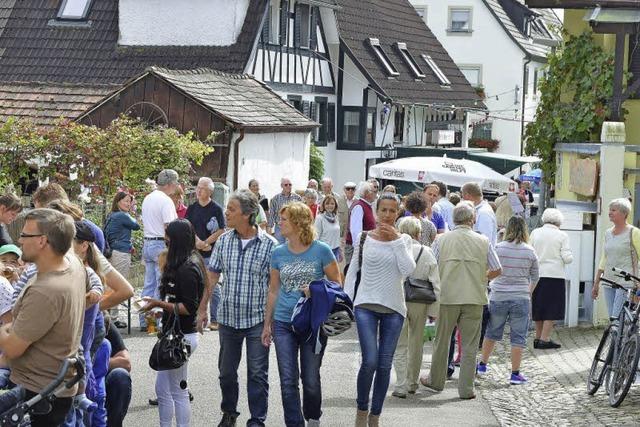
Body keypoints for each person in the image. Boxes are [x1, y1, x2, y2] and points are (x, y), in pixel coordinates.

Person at [196, 190, 276, 427]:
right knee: (226, 373)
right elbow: (211, 278)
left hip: (256, 321)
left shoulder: (270, 245)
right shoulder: (223, 241)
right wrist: (203, 309)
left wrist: (269, 323)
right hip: (228, 319)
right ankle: (229, 412)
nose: (226, 213)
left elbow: (274, 287)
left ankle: (257, 420)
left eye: (231, 209)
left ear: (248, 214)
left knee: (257, 374)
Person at [0, 208, 86, 426]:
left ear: (42, 241)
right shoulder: (72, 263)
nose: (19, 239)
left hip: (38, 394)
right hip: (54, 387)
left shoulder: (46, 291)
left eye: (25, 234)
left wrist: (5, 326)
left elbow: (11, 349)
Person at [262, 202, 340, 427]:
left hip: (312, 323)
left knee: (311, 378)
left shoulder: (321, 250)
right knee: (288, 380)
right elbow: (274, 290)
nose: (279, 223)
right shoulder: (278, 252)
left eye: (284, 219)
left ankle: (313, 418)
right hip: (284, 322)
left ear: (298, 222)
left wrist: (315, 288)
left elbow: (337, 283)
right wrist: (268, 324)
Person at [344, 193, 416, 427]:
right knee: (370, 361)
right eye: (383, 210)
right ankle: (361, 410)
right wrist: (347, 301)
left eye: (392, 211)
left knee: (385, 364)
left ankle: (375, 416)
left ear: (398, 213)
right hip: (365, 304)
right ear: (376, 211)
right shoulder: (364, 238)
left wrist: (395, 240)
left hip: (394, 307)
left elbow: (408, 270)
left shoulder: (403, 239)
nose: (387, 215)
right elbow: (353, 270)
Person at [420, 201, 501, 400]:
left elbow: (432, 265)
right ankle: (466, 389)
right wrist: (483, 278)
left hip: (448, 297)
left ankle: (436, 381)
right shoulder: (483, 241)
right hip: (474, 297)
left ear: (454, 219)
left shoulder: (442, 240)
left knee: (442, 341)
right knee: (470, 344)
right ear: (472, 219)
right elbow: (498, 268)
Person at [141, 219, 205, 427]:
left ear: (176, 240)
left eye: (167, 239)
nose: (164, 241)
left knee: (178, 390)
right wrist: (161, 312)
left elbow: (188, 308)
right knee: (163, 390)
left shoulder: (188, 267)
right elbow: (175, 303)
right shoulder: (181, 263)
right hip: (174, 333)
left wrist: (158, 304)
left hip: (182, 337)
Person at [477, 216, 539, 384]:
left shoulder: (498, 248)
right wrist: (528, 292)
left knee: (492, 331)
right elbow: (535, 276)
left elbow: (489, 269)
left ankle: (482, 364)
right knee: (518, 337)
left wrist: (489, 282)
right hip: (520, 297)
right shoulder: (530, 251)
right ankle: (515, 373)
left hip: (499, 295)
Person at [391, 217, 440, 398]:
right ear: (418, 233)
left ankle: (400, 385)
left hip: (398, 300)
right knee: (416, 344)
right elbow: (436, 284)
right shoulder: (426, 252)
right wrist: (434, 311)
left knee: (400, 345)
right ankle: (412, 382)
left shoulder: (396, 249)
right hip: (420, 302)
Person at [139, 169, 179, 331]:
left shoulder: (148, 198)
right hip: (160, 244)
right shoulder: (165, 201)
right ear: (169, 184)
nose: (177, 186)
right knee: (160, 284)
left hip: (147, 242)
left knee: (148, 284)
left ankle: (145, 320)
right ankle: (156, 322)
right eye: (175, 183)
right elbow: (170, 227)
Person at [185, 177, 226, 332]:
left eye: (201, 188)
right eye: (198, 187)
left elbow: (221, 229)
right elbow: (188, 226)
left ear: (209, 191)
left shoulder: (216, 208)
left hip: (211, 252)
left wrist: (206, 242)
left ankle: (215, 319)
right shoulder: (192, 208)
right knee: (194, 285)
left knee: (212, 286)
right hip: (195, 251)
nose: (198, 190)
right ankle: (194, 318)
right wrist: (197, 242)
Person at [530, 208, 573, 348]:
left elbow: (530, 251)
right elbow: (567, 258)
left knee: (538, 306)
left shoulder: (535, 233)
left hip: (537, 275)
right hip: (555, 275)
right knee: (552, 307)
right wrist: (570, 257)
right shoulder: (562, 235)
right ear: (559, 221)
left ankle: (537, 338)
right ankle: (545, 338)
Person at [105, 191, 140, 329]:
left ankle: (109, 314)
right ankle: (113, 319)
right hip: (121, 252)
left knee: (110, 284)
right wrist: (133, 211)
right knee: (118, 285)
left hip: (112, 251)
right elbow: (136, 225)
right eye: (126, 201)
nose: (128, 204)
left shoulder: (111, 215)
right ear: (118, 201)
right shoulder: (122, 215)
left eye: (130, 201)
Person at [104, 321, 132, 427]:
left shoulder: (102, 320)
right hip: (76, 382)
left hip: (101, 379)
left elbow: (126, 363)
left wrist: (96, 361)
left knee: (120, 375)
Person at [344, 181, 377, 266]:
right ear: (367, 193)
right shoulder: (359, 206)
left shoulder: (367, 205)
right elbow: (355, 231)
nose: (376, 194)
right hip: (357, 249)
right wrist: (358, 252)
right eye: (374, 191)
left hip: (364, 247)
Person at [269, 177, 302, 244]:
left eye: (290, 184)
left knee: (293, 246)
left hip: (293, 227)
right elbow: (272, 214)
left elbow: (301, 213)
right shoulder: (275, 199)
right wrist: (269, 228)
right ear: (281, 186)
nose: (288, 186)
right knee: (278, 246)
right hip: (279, 228)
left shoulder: (297, 198)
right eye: (286, 185)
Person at [315, 194, 342, 262]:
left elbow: (337, 236)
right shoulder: (319, 218)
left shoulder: (336, 217)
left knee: (335, 272)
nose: (330, 206)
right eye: (327, 203)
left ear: (335, 205)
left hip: (336, 251)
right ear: (323, 205)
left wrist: (340, 251)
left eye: (332, 203)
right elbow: (316, 237)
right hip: (325, 251)